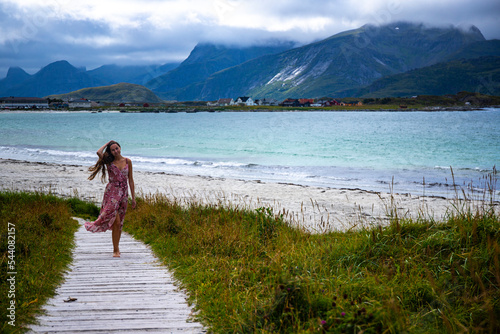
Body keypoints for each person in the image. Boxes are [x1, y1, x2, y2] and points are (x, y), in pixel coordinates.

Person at [85, 140, 136, 257]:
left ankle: (117, 247)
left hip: (123, 193)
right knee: (116, 221)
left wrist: (133, 198)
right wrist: (108, 143)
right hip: (112, 193)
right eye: (112, 150)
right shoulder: (109, 162)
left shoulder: (128, 161)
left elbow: (131, 180)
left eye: (117, 148)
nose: (115, 151)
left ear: (120, 148)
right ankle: (115, 250)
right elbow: (98, 152)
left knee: (119, 223)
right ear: (110, 151)